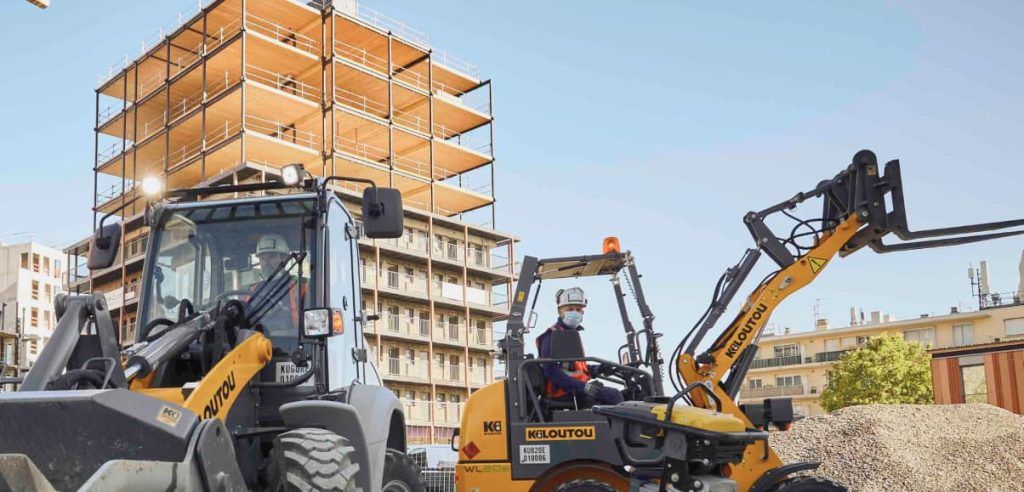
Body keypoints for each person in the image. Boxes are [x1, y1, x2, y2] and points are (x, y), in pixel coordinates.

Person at [535, 287, 624, 407]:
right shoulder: (551, 336)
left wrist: (598, 369)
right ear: (560, 311)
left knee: (629, 394)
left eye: (578, 309)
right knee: (613, 396)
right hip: (562, 392)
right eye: (570, 309)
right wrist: (584, 387)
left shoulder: (571, 335)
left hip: (576, 388)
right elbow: (551, 371)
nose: (575, 312)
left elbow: (576, 368)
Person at [249, 233, 306, 337]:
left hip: (290, 344)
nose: (266, 262)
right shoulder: (249, 291)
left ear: (284, 258)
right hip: (255, 345)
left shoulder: (301, 286)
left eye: (271, 256)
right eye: (262, 258)